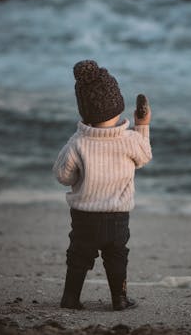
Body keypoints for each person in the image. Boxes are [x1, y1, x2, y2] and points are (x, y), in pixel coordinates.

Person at [53, 59, 152, 311]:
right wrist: (142, 125)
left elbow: (62, 175)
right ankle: (119, 299)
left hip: (84, 215)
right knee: (117, 256)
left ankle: (70, 298)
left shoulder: (78, 142)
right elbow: (144, 157)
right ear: (118, 105)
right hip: (117, 216)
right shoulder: (129, 140)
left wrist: (82, 179)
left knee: (78, 257)